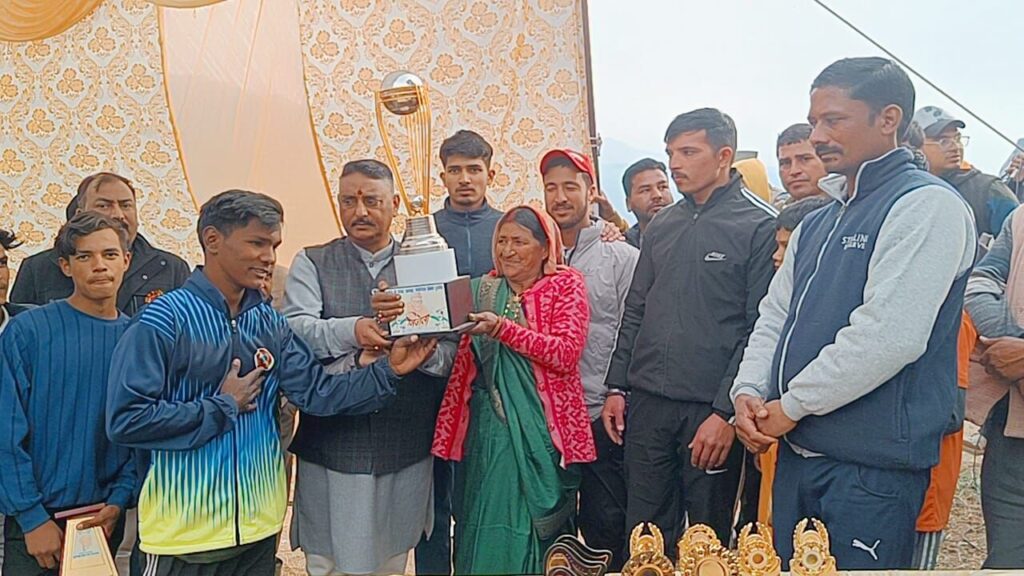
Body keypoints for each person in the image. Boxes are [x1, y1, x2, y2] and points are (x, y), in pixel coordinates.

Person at [105, 190, 438, 576]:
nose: (269, 257)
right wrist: (221, 407)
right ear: (212, 240)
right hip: (181, 540)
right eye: (257, 243)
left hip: (259, 534)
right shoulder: (163, 321)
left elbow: (318, 394)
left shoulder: (268, 323)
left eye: (274, 246)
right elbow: (126, 420)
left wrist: (389, 371)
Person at [731, 57, 976, 570]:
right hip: (799, 453)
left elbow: (888, 335)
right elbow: (774, 316)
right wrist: (748, 391)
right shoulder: (817, 222)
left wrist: (791, 405)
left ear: (888, 119)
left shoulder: (926, 206)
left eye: (833, 120)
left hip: (871, 466)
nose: (818, 135)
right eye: (814, 121)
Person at [603, 108, 777, 552]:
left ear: (723, 156)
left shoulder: (759, 225)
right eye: (670, 153)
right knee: (645, 536)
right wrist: (617, 387)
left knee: (707, 540)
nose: (675, 164)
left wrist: (725, 413)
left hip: (709, 411)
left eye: (688, 152)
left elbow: (760, 327)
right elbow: (636, 309)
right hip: (648, 406)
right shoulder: (663, 225)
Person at [282, 160, 454, 576]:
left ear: (394, 204)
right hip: (333, 437)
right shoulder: (313, 261)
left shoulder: (424, 257)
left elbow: (452, 347)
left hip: (405, 436)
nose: (359, 211)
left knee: (391, 559)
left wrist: (419, 351)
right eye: (348, 201)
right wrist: (355, 331)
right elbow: (295, 330)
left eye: (371, 201)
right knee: (325, 560)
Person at [432, 205, 595, 575]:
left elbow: (565, 354)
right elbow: (444, 336)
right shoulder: (481, 290)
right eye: (502, 241)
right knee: (484, 518)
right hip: (488, 430)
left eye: (519, 242)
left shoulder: (566, 285)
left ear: (545, 247)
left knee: (536, 536)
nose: (507, 250)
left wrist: (501, 329)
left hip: (544, 434)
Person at [0, 213, 137, 575]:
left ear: (126, 260)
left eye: (109, 254)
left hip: (104, 522)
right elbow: (5, 433)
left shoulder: (138, 341)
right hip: (35, 527)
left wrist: (118, 500)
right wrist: (31, 518)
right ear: (65, 266)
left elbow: (138, 435)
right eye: (84, 256)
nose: (99, 265)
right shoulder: (27, 332)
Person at [541, 149, 638, 570]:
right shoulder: (533, 254)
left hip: (601, 411)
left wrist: (619, 389)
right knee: (551, 525)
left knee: (606, 521)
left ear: (590, 191)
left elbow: (634, 328)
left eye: (570, 186)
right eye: (551, 188)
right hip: (546, 414)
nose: (560, 197)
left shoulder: (621, 256)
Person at [11, 172, 190, 315]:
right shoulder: (38, 269)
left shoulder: (170, 268)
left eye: (126, 205)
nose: (118, 215)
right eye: (104, 206)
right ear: (80, 214)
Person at [963, 204, 1024, 568]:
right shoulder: (1020, 219)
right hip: (1013, 435)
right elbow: (979, 283)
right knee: (1007, 562)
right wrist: (1013, 344)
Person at [913, 105, 1018, 238]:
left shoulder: (989, 190)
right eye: (943, 140)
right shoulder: (907, 187)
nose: (955, 147)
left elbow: (1018, 238)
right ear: (916, 146)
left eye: (957, 139)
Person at [432, 130, 506, 280]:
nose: (464, 179)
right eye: (454, 170)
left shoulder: (507, 226)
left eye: (474, 170)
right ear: (444, 178)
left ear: (490, 176)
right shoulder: (428, 230)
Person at [620, 158, 672, 249]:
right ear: (629, 203)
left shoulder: (693, 233)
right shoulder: (624, 247)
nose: (657, 195)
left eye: (662, 187)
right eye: (646, 190)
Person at [776, 123, 828, 203]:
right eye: (786, 163)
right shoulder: (774, 209)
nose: (794, 171)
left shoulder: (846, 207)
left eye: (805, 159)